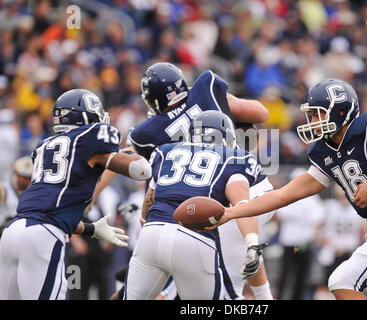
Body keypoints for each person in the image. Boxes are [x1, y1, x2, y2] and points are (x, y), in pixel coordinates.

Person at [210, 78, 367, 300]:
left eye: (319, 114)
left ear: (340, 111)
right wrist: (230, 212)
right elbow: (281, 195)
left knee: (342, 281)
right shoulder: (325, 153)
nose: (313, 121)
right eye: (312, 115)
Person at [93, 61, 273, 300]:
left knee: (224, 288)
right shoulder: (205, 88)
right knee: (238, 259)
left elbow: (122, 162)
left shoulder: (149, 135)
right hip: (254, 189)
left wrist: (91, 195)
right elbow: (261, 113)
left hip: (205, 206)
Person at [0, 89, 152, 300]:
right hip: (43, 236)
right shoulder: (90, 137)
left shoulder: (44, 146)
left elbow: (50, 207)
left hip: (12, 233)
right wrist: (134, 153)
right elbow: (141, 171)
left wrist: (90, 229)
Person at [125, 111, 265, 300]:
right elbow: (241, 204)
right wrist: (252, 244)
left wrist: (144, 226)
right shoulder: (236, 158)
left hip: (152, 233)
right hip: (195, 240)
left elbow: (150, 198)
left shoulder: (164, 151)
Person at [275, 167, 325, 300]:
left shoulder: (306, 198)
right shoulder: (309, 199)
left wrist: (296, 217)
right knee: (291, 273)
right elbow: (316, 218)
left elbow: (318, 217)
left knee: (295, 273)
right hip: (294, 242)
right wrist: (303, 217)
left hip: (299, 242)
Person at [0, 156, 33, 238]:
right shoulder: (3, 190)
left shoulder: (33, 195)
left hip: (21, 236)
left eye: (27, 178)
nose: (23, 181)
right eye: (21, 177)